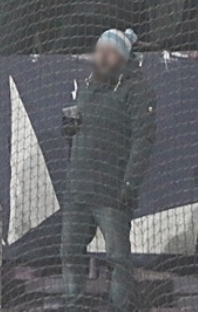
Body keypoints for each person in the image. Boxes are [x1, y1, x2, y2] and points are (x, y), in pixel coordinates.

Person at [61, 29, 156, 312]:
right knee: (69, 252)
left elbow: (143, 141)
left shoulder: (137, 91)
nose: (101, 56)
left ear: (123, 57)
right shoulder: (87, 86)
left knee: (117, 257)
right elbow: (78, 135)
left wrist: (129, 185)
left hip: (112, 191)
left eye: (109, 51)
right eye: (99, 49)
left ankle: (120, 307)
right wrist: (68, 130)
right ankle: (73, 305)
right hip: (79, 188)